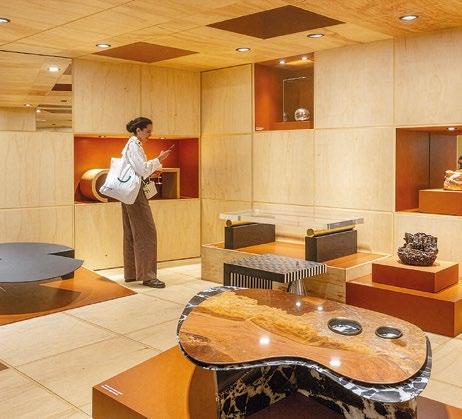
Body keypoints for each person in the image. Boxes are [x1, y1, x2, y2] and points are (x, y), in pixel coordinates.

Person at [122, 117, 172, 288]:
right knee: (147, 233)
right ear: (138, 130)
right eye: (148, 131)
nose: (150, 134)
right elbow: (142, 170)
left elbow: (140, 169)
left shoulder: (132, 144)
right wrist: (159, 159)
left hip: (128, 192)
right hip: (135, 192)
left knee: (131, 232)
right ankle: (148, 276)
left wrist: (153, 167)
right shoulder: (134, 145)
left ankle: (132, 273)